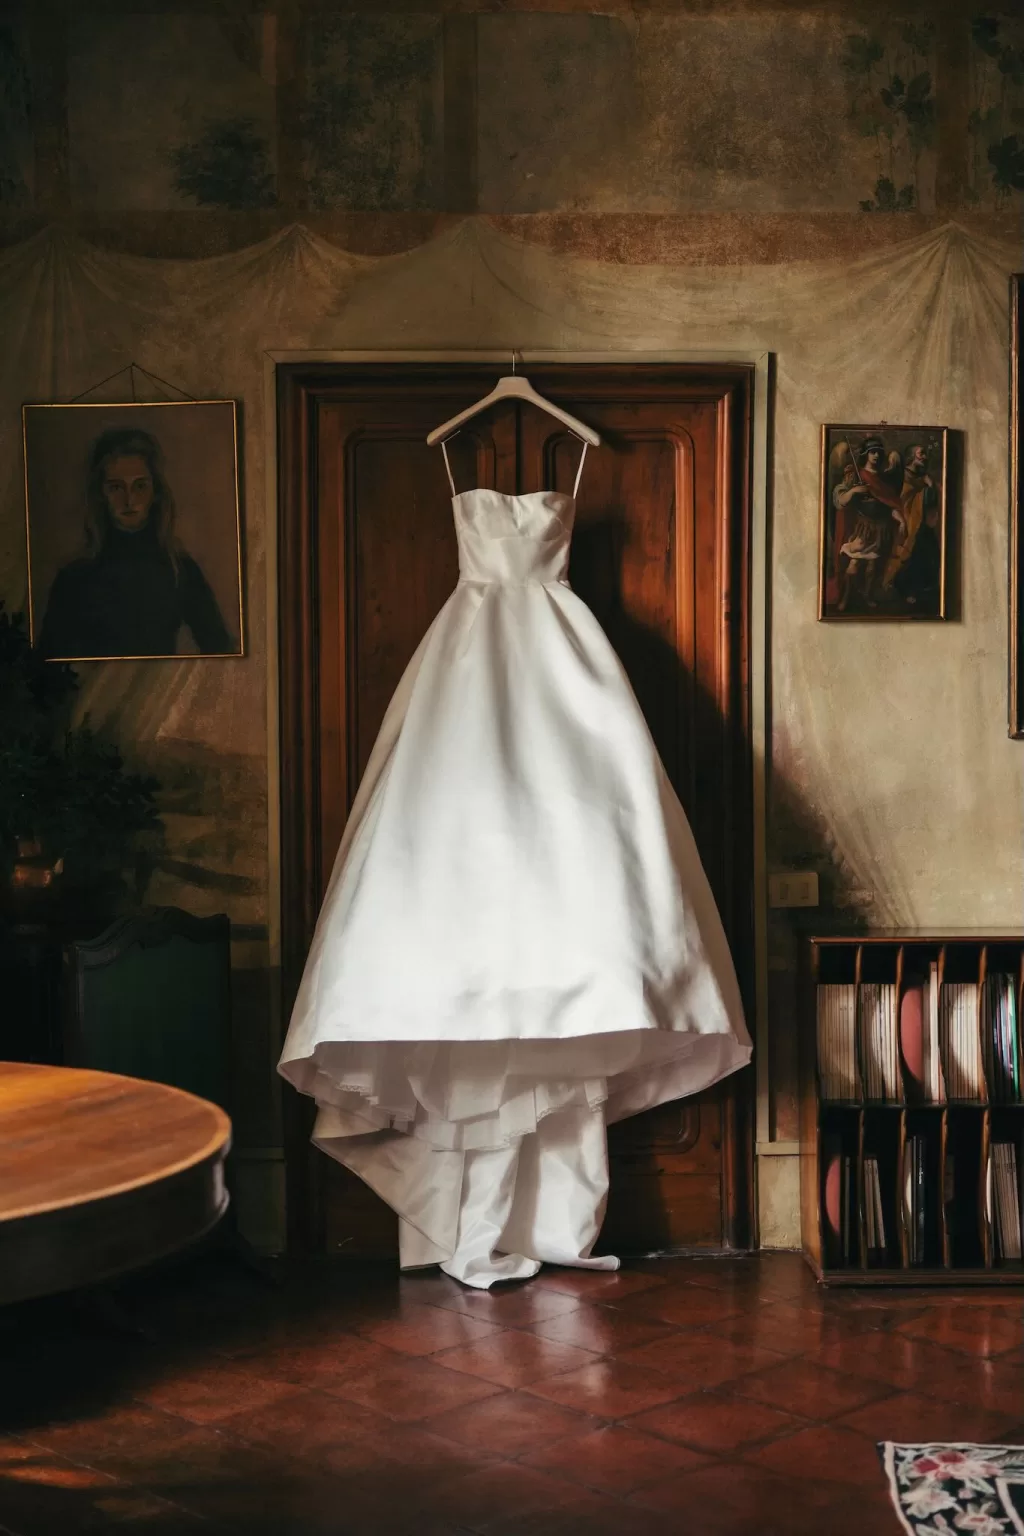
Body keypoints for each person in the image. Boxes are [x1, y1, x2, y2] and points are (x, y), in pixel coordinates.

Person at [278, 443, 751, 1289]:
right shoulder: (448, 463)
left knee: (578, 864)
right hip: (464, 660)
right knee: (452, 854)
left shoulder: (570, 477)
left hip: (563, 664)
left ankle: (545, 1218)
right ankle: (465, 1219)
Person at [37, 427, 235, 659]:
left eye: (140, 486)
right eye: (116, 487)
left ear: (156, 491)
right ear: (101, 493)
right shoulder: (73, 578)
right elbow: (46, 668)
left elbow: (222, 654)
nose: (129, 500)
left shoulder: (180, 570)